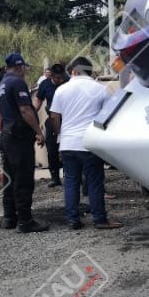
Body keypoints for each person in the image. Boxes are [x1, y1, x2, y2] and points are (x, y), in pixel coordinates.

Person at [49, 56, 122, 230]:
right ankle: (100, 220)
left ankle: (73, 220)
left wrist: (61, 133)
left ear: (73, 71)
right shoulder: (101, 89)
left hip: (68, 144)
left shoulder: (61, 90)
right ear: (90, 71)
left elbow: (54, 116)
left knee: (71, 181)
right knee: (94, 181)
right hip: (90, 143)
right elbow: (109, 116)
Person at [0, 53, 49, 232]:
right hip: (19, 137)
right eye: (24, 67)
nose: (25, 70)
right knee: (23, 179)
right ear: (19, 66)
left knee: (9, 178)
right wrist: (39, 131)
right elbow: (26, 109)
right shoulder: (17, 82)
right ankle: (25, 221)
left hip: (7, 134)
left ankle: (9, 217)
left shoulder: (2, 83)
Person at [33, 64, 68, 188]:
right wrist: (32, 115)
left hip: (67, 120)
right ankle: (55, 177)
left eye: (62, 77)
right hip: (52, 120)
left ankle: (70, 176)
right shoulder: (45, 85)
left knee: (67, 150)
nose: (60, 80)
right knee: (52, 150)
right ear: (51, 76)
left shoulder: (68, 83)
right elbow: (38, 100)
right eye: (58, 78)